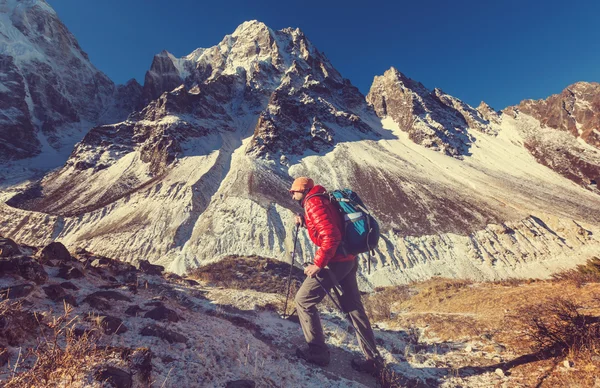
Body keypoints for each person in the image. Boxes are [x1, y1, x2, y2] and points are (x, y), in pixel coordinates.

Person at [289, 177, 382, 375]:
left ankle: (317, 353)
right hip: (348, 259)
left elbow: (331, 235)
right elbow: (332, 223)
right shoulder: (321, 199)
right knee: (353, 308)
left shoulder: (313, 203)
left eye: (294, 191)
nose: (292, 194)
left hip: (334, 263)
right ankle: (373, 360)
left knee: (303, 301)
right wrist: (304, 220)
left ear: (304, 191)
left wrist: (318, 264)